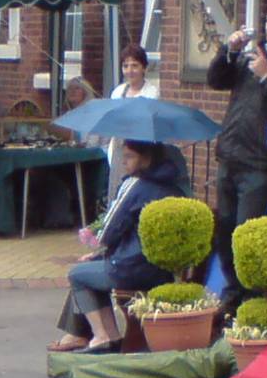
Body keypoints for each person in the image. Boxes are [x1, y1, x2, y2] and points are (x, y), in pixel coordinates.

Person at [49, 140, 183, 354]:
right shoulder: (175, 188)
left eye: (129, 156)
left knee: (77, 275)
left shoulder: (136, 185)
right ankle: (104, 336)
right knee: (91, 268)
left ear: (146, 158)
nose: (123, 161)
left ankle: (103, 336)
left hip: (131, 267)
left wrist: (99, 246)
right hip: (161, 271)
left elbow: (109, 229)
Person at [207, 1, 267, 307]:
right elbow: (216, 81)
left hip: (259, 162)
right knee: (224, 230)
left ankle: (250, 295)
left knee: (246, 231)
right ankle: (233, 290)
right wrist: (229, 52)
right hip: (230, 155)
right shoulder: (253, 55)